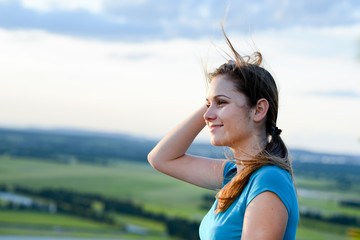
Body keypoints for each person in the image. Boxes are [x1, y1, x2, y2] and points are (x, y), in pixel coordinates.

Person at [147, 29, 299, 240]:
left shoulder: (268, 180)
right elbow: (160, 158)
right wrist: (215, 94)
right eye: (208, 105)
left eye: (222, 103)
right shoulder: (234, 175)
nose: (207, 116)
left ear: (259, 110)